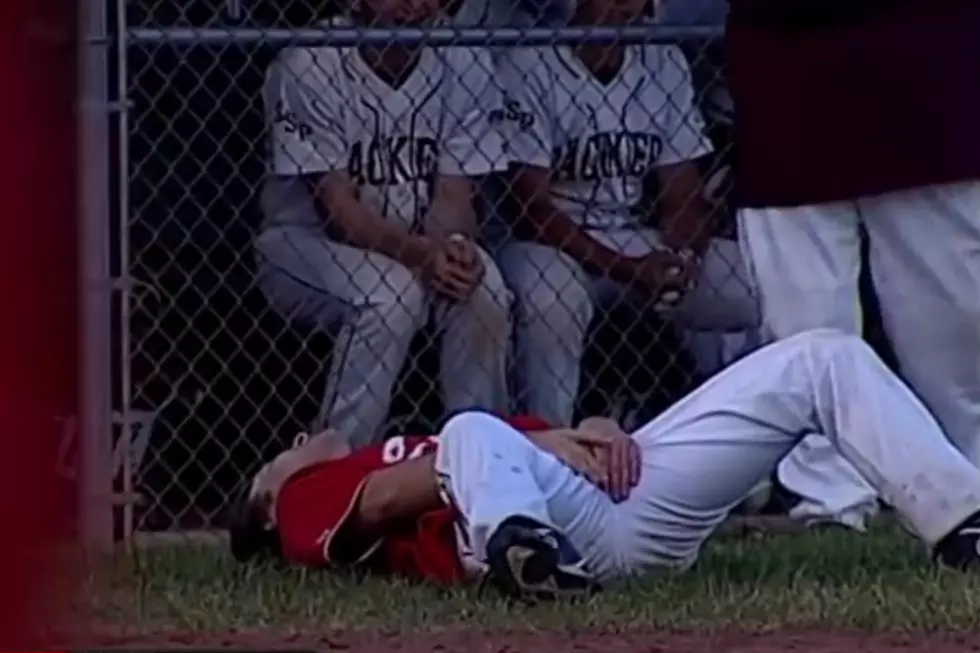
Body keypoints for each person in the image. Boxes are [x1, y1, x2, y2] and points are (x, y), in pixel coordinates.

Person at [230, 329, 980, 599]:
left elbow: (545, 446)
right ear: (267, 498)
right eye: (277, 455)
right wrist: (527, 447)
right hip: (548, 524)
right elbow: (385, 503)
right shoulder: (300, 497)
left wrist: (595, 426)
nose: (298, 437)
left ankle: (961, 523)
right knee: (470, 427)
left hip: (620, 495)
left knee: (822, 357)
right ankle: (529, 560)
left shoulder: (398, 443)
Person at [727, 0, 980, 530]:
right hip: (787, 78)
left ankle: (969, 490)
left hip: (922, 75)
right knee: (806, 327)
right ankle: (829, 502)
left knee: (955, 318)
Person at [254, 0, 512, 448]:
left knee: (483, 288)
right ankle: (339, 468)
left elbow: (455, 195)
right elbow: (338, 214)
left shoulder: (463, 58)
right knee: (390, 298)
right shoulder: (311, 60)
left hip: (416, 247)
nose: (414, 5)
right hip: (304, 245)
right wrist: (423, 254)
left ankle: (481, 458)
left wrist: (452, 249)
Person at [494, 0, 758, 426]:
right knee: (551, 301)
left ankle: (738, 439)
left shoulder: (660, 55)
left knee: (755, 285)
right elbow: (532, 209)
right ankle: (548, 441)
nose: (627, 5)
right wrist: (628, 269)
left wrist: (683, 256)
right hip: (548, 247)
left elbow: (682, 190)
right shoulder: (528, 58)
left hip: (633, 235)